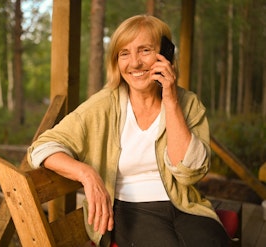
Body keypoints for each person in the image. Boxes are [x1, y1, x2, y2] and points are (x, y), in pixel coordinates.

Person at [27, 14, 229, 247]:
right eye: (124, 53)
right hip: (128, 209)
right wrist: (87, 174)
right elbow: (41, 148)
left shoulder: (188, 103)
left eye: (145, 50)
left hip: (184, 204)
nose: (134, 63)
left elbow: (190, 172)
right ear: (116, 61)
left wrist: (170, 100)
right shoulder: (101, 106)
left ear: (165, 54)